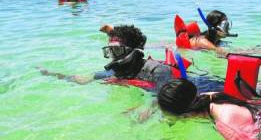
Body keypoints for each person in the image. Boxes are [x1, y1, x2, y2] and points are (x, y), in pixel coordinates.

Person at [39, 24, 175, 91]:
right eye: (110, 51)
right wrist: (50, 74)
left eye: (116, 50)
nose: (113, 56)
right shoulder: (113, 73)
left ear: (134, 50)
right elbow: (79, 79)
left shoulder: (157, 70)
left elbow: (162, 97)